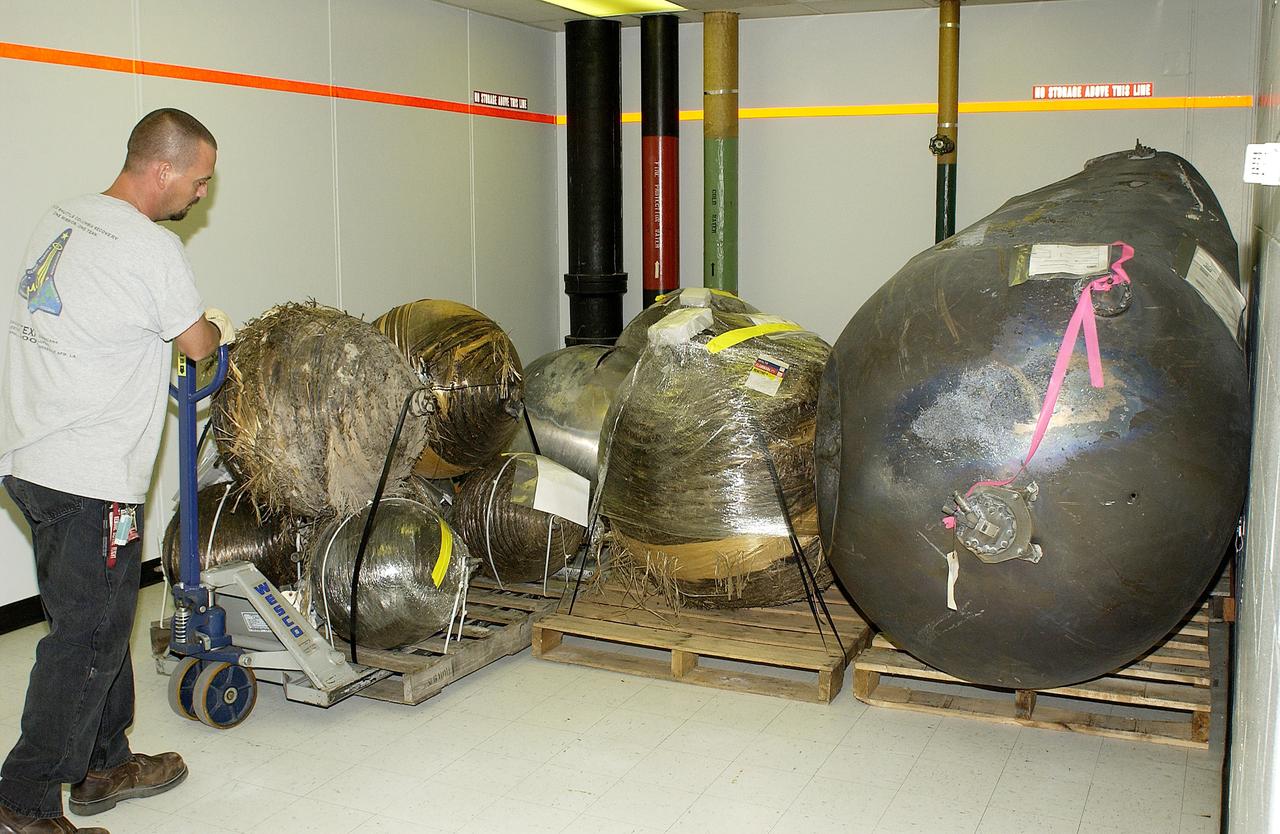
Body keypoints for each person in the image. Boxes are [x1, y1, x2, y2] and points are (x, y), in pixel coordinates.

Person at [0, 108, 235, 834]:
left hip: (31, 459)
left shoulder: (64, 216)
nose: (199, 195)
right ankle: (23, 799)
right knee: (87, 641)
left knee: (96, 620)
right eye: (197, 181)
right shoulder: (150, 247)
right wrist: (220, 329)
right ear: (161, 169)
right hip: (90, 476)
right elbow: (198, 344)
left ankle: (104, 763)